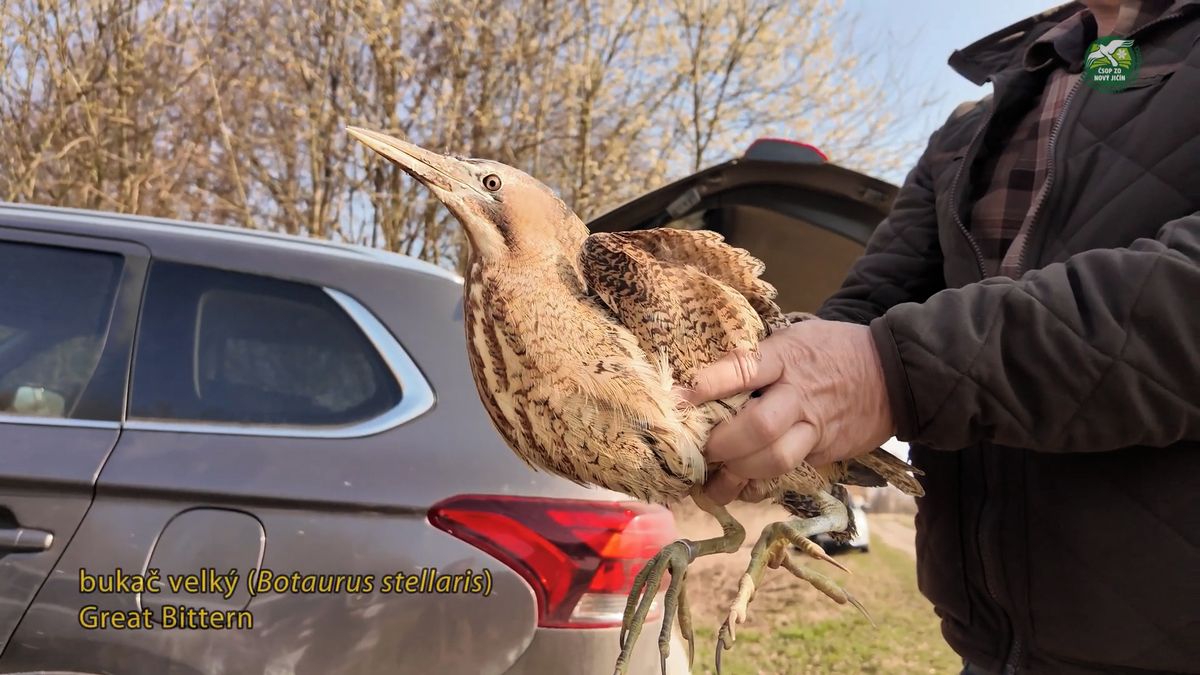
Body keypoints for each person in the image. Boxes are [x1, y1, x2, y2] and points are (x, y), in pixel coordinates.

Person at [680, 1, 1199, 673]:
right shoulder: (987, 113)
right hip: (992, 647)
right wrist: (767, 397)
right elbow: (870, 303)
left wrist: (897, 374)